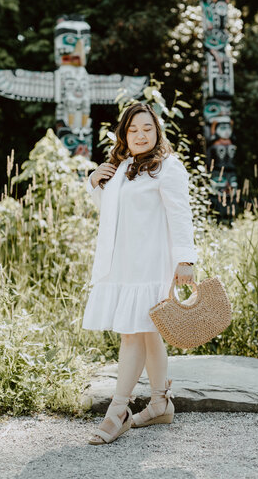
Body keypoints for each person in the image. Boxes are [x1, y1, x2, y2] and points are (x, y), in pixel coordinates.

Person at [82, 101, 198, 445]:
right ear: (124, 134)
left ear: (157, 131)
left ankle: (118, 411)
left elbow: (181, 215)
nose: (140, 135)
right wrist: (95, 182)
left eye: (147, 128)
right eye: (133, 129)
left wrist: (186, 259)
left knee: (133, 333)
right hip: (127, 265)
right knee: (148, 334)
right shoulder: (124, 168)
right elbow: (113, 215)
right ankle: (161, 402)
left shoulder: (168, 168)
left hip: (152, 266)